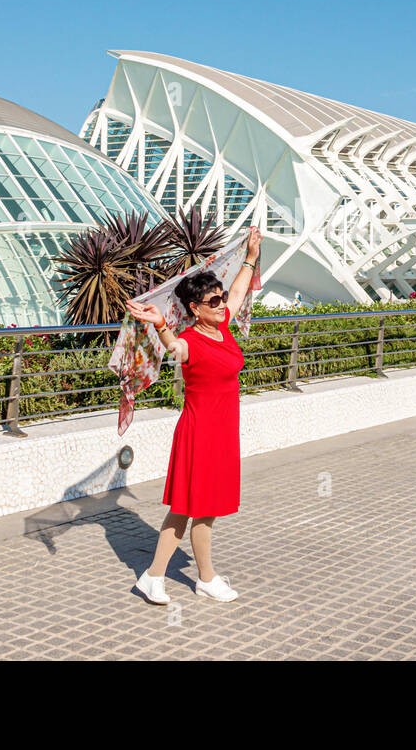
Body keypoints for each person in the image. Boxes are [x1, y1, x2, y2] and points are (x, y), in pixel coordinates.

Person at [126, 227, 262, 603]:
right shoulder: (190, 340)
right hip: (200, 433)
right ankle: (206, 578)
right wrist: (160, 325)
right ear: (195, 310)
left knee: (189, 509)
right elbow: (174, 350)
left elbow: (239, 288)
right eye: (213, 301)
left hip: (222, 433)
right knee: (199, 510)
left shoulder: (224, 329)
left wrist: (251, 254)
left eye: (221, 298)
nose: (222, 304)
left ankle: (152, 576)